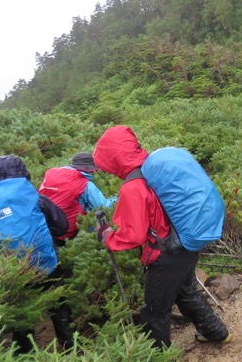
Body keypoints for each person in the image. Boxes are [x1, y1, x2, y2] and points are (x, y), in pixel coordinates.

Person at [92, 126, 230, 349]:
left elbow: (133, 235)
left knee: (155, 311)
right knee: (185, 292)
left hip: (166, 253)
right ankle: (216, 333)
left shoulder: (133, 185)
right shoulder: (152, 170)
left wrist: (109, 237)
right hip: (185, 245)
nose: (106, 170)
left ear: (114, 158)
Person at [0, 155, 73, 352]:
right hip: (43, 264)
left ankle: (26, 360)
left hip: (7, 274)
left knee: (20, 318)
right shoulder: (31, 194)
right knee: (58, 305)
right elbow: (62, 226)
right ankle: (72, 346)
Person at [39, 152, 116, 241]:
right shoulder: (85, 184)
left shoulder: (51, 175)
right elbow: (103, 206)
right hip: (70, 232)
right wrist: (117, 197)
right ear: (90, 169)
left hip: (47, 228)